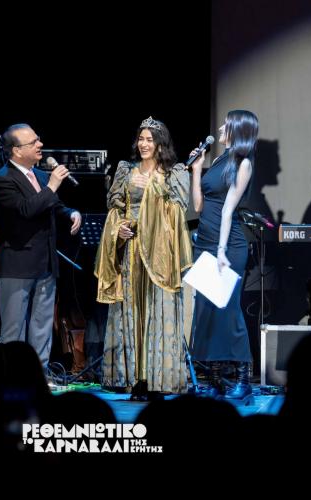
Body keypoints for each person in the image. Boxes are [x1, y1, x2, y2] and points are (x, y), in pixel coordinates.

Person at [95, 116, 193, 400]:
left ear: (161, 143)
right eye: (141, 138)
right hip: (133, 251)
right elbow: (115, 208)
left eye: (150, 139)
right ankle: (137, 379)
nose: (144, 144)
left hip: (159, 253)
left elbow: (177, 211)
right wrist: (119, 228)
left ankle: (157, 379)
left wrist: (154, 186)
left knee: (156, 310)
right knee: (132, 310)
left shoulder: (174, 173)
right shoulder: (126, 170)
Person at [0, 124, 82, 371]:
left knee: (42, 325)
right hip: (17, 265)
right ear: (17, 150)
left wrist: (71, 213)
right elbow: (26, 209)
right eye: (33, 142)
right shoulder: (2, 179)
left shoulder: (40, 176)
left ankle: (40, 374)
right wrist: (52, 186)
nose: (40, 145)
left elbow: (54, 205)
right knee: (14, 328)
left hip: (45, 262)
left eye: (38, 139)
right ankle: (12, 376)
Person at [189, 109, 259, 402]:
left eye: (225, 125)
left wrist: (220, 250)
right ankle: (215, 379)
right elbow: (199, 206)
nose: (219, 128)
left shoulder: (243, 163)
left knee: (228, 311)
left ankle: (243, 379)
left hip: (227, 245)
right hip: (205, 240)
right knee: (206, 311)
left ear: (238, 130)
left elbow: (228, 209)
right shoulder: (218, 160)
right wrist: (196, 170)